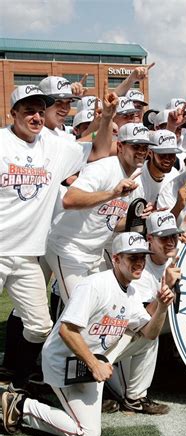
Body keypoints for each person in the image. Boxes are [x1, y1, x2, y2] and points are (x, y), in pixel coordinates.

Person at [1, 232, 174, 436]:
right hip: (63, 363)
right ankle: (21, 405)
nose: (138, 263)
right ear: (116, 259)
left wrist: (162, 307)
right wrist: (95, 365)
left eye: (141, 257)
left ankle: (134, 397)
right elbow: (67, 331)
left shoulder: (132, 293)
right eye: (132, 258)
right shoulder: (94, 285)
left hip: (92, 362)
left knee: (140, 333)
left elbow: (150, 333)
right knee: (88, 434)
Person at [0, 85, 112, 392]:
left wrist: (107, 118)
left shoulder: (54, 146)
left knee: (38, 326)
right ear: (13, 114)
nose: (35, 117)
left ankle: (16, 383)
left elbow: (100, 152)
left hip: (26, 255)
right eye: (28, 111)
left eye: (39, 110)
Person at [44, 123, 153, 304]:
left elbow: (111, 222)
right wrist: (112, 193)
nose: (141, 151)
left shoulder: (138, 181)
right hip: (68, 248)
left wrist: (138, 218)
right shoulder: (103, 168)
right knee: (80, 312)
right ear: (120, 146)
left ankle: (55, 333)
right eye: (135, 146)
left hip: (95, 254)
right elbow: (70, 199)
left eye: (145, 147)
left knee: (100, 309)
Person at [105, 212, 183, 414]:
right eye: (164, 237)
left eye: (174, 236)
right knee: (151, 333)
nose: (171, 242)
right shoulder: (138, 269)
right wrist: (166, 285)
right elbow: (143, 319)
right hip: (115, 334)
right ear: (150, 239)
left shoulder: (179, 250)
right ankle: (132, 395)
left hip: (136, 325)